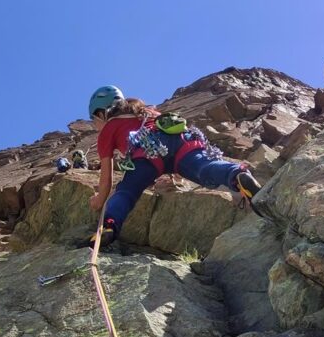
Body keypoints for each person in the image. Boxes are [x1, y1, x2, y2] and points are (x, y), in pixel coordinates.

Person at [85, 85, 262, 247]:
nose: (95, 126)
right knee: (205, 169)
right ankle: (236, 174)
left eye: (94, 120)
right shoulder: (147, 112)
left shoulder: (109, 129)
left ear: (101, 113)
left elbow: (106, 180)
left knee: (126, 191)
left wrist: (98, 201)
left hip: (148, 153)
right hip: (182, 143)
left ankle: (109, 226)